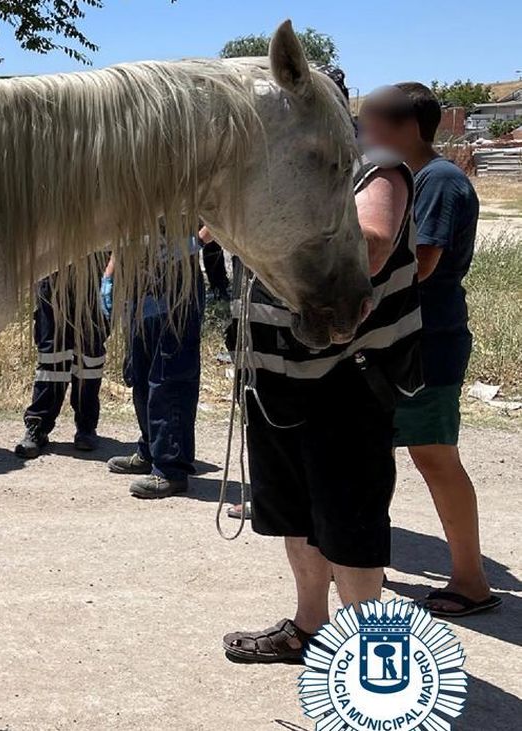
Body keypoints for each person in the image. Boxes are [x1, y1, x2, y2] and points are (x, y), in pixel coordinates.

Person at [222, 79, 423, 663]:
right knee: (297, 514)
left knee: (350, 523)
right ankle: (310, 627)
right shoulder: (272, 179)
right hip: (276, 377)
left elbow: (374, 244)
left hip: (347, 379)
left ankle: (368, 656)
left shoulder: (376, 168)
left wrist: (265, 227)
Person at [360, 83, 498, 618]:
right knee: (382, 452)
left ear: (407, 128)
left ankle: (472, 582)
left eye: (371, 124)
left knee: (436, 458)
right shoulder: (410, 177)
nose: (363, 135)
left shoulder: (436, 180)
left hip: (428, 343)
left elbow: (422, 263)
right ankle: (364, 558)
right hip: (405, 339)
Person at [104, 243, 204, 499]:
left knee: (169, 384)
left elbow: (219, 224)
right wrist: (109, 275)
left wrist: (194, 243)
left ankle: (171, 470)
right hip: (140, 297)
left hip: (177, 297)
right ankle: (149, 452)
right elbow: (123, 235)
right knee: (140, 381)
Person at [14, 260, 109, 457]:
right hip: (53, 271)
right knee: (52, 356)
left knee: (89, 356)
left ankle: (86, 427)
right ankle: (38, 426)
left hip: (94, 272)